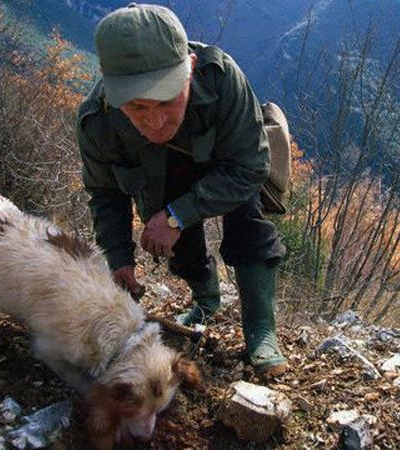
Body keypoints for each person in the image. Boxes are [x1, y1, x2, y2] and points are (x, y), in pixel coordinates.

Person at [76, 3, 288, 375]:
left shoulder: (221, 79)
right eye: (137, 108)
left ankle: (260, 330)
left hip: (228, 166)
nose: (156, 121)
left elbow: (249, 166)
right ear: (112, 92)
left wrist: (179, 215)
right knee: (173, 236)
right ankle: (207, 300)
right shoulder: (97, 121)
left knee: (248, 219)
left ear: (189, 69)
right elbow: (105, 193)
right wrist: (120, 259)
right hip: (163, 180)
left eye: (168, 100)